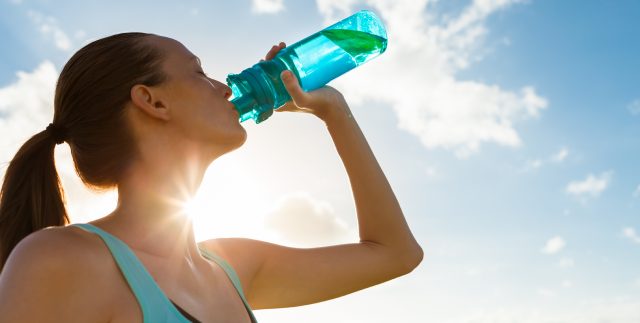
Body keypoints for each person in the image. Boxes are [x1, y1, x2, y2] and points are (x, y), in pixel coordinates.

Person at [0, 32, 423, 322]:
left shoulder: (232, 266)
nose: (224, 87)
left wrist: (333, 111)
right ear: (152, 101)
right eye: (199, 72)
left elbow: (396, 253)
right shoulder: (61, 259)